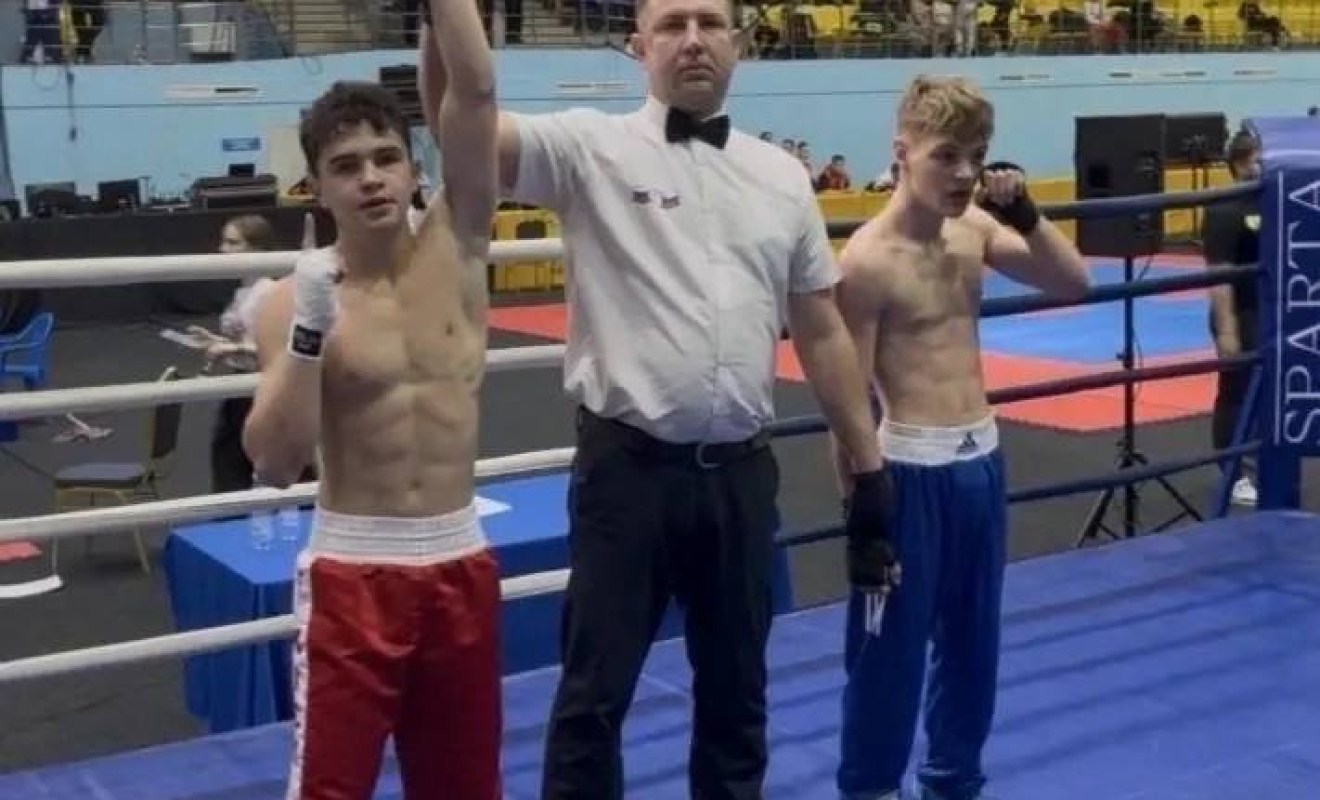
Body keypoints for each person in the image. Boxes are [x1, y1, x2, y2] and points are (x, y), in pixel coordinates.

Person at [487, 0, 893, 796]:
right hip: (626, 476)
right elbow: (467, 126)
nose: (694, 41)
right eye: (673, 25)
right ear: (638, 46)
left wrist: (869, 465)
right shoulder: (589, 148)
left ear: (740, 44)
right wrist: (449, 26)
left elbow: (820, 329)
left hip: (740, 477)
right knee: (592, 701)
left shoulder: (781, 175)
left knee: (738, 700)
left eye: (710, 23)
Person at [241, 0, 502, 795]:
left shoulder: (460, 244)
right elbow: (274, 464)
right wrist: (309, 334)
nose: (371, 178)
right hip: (355, 571)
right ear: (317, 188)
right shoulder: (289, 302)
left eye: (386, 158)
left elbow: (476, 89)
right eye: (347, 166)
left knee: (465, 788)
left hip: (459, 558)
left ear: (414, 169)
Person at [832, 75, 1090, 800]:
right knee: (888, 656)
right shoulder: (867, 261)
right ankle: (871, 789)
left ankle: (952, 784)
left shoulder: (974, 229)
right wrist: (861, 513)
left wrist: (1028, 214)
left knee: (974, 648)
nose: (964, 173)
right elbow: (847, 400)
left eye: (975, 156)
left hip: (981, 461)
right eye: (946, 155)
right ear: (902, 152)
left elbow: (1073, 282)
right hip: (908, 471)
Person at [183, 214, 277, 493]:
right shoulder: (244, 291)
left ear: (257, 248)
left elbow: (281, 349)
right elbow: (249, 339)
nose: (223, 250)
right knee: (229, 465)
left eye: (233, 243)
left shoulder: (269, 292)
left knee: (242, 467)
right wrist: (217, 341)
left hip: (262, 391)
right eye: (224, 242)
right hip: (242, 387)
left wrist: (234, 348)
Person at [1202, 127, 1261, 507]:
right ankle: (1232, 472)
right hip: (1239, 310)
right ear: (1240, 163)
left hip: (1269, 307)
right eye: (1259, 159)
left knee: (1271, 389)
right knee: (1236, 391)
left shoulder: (1273, 200)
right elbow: (1219, 272)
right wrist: (1227, 330)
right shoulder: (1225, 207)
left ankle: (1264, 464)